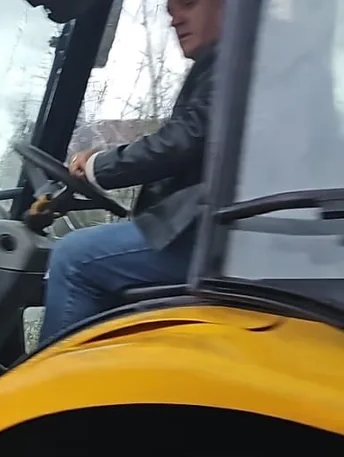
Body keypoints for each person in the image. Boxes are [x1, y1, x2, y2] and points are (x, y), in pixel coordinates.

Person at [38, 0, 224, 344]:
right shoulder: (225, 68)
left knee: (72, 258)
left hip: (216, 239)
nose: (174, 19)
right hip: (219, 232)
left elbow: (183, 140)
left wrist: (97, 167)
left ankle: (48, 389)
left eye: (187, 4)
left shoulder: (235, 65)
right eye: (169, 11)